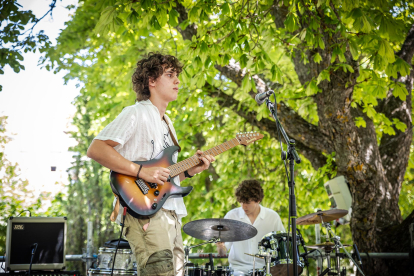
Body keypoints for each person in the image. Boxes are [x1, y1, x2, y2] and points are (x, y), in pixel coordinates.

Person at [87, 52, 215, 276]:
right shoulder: (136, 113)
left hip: (170, 214)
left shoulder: (168, 123)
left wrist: (190, 172)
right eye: (170, 75)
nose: (177, 81)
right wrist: (141, 171)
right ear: (151, 81)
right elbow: (96, 149)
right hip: (146, 215)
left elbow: (163, 179)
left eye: (177, 75)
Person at [216, 179, 285, 275]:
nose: (243, 206)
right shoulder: (231, 216)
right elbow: (222, 252)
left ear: (258, 200)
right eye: (241, 202)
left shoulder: (273, 217)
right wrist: (220, 247)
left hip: (266, 269)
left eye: (247, 202)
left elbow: (283, 248)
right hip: (238, 270)